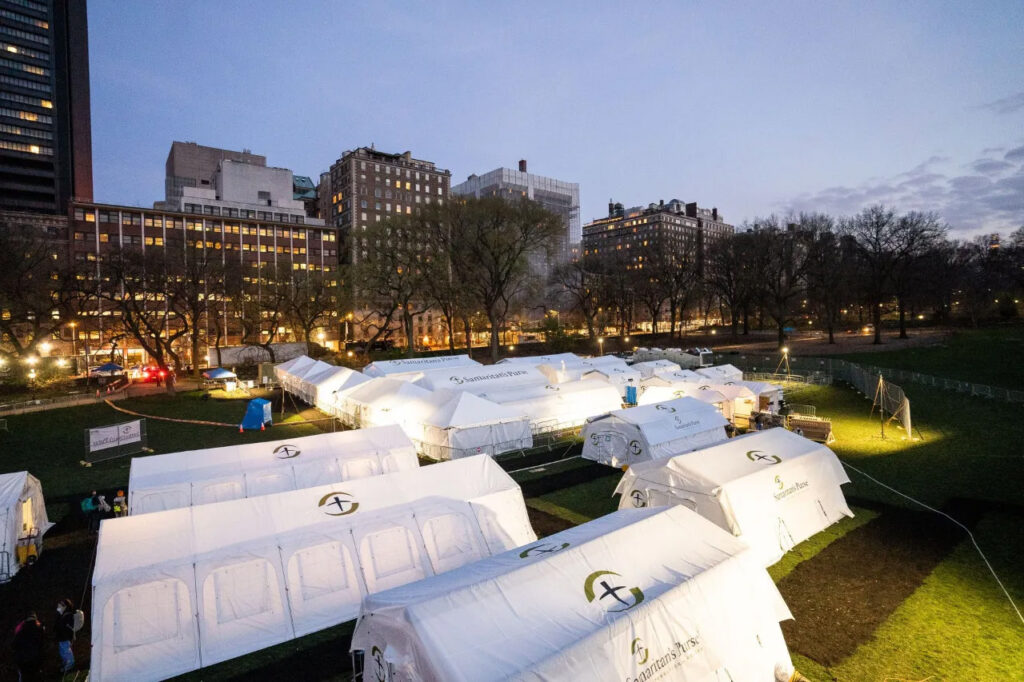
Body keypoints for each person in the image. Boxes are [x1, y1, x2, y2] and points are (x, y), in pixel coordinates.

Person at [12, 611, 45, 681]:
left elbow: (14, 645)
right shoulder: (40, 628)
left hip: (23, 659)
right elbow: (42, 644)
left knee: (24, 677)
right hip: (36, 659)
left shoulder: (21, 629)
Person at [55, 598, 76, 673]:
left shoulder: (68, 615)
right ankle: (65, 664)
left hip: (65, 637)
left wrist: (66, 635)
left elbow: (66, 627)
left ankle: (70, 665)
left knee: (66, 651)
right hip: (61, 637)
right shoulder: (62, 614)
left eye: (60, 605)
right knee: (62, 651)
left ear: (65, 606)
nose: (58, 606)